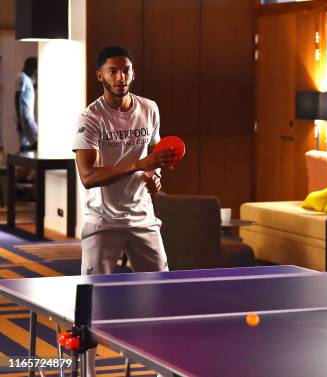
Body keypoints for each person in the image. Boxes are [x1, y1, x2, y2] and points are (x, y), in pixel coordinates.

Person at [73, 46, 176, 375]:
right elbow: (88, 177)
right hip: (103, 221)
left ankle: (162, 365)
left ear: (133, 73)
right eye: (113, 71)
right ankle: (87, 370)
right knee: (92, 304)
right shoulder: (90, 118)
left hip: (143, 218)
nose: (121, 77)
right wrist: (140, 164)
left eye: (126, 70)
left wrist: (154, 174)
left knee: (160, 295)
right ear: (100, 75)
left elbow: (155, 158)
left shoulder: (150, 109)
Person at [15, 57, 38, 152]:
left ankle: (19, 165)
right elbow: (17, 98)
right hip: (25, 117)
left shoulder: (27, 78)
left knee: (25, 144)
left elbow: (35, 85)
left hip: (27, 117)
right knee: (36, 143)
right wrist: (20, 120)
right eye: (35, 69)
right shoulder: (22, 77)